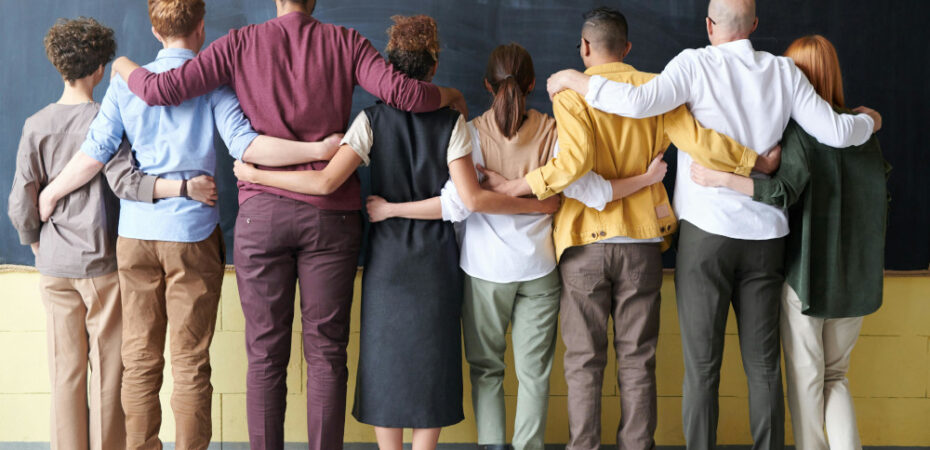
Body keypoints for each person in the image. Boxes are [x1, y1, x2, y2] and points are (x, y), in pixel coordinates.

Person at [110, 2, 469, 447]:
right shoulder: (347, 42)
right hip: (330, 218)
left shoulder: (239, 44)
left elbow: (162, 89)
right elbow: (410, 96)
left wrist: (122, 63)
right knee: (326, 355)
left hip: (263, 217)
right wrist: (449, 95)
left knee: (263, 356)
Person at [545, 1, 881, 449]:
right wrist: (869, 121)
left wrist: (573, 79)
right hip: (767, 237)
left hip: (705, 236)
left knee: (702, 365)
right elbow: (837, 134)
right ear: (754, 27)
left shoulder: (693, 64)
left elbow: (638, 101)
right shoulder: (783, 72)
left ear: (708, 25)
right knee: (763, 367)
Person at [232, 15, 559, 450]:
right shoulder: (454, 123)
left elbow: (326, 182)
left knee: (383, 363)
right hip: (436, 262)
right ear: (434, 65)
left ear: (387, 66)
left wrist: (257, 174)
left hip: (387, 262)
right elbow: (464, 200)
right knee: (433, 364)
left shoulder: (369, 121)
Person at [35, 2, 342, 448]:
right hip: (193, 237)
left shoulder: (124, 86)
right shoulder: (214, 84)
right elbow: (248, 147)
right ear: (201, 28)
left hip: (136, 236)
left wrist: (50, 193)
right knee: (191, 361)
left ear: (155, 31)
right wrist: (321, 148)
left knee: (138, 360)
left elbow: (93, 154)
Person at [476, 7, 774, 450]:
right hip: (641, 240)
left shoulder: (570, 95)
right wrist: (753, 162)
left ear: (584, 47)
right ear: (628, 49)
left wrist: (520, 185)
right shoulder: (657, 89)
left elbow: (573, 164)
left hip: (583, 243)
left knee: (583, 362)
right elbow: (698, 140)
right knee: (638, 360)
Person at [6, 17, 215, 450]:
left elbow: (20, 201)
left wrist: (36, 241)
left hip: (54, 264)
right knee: (110, 370)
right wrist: (179, 188)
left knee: (65, 372)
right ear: (101, 69)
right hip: (101, 264)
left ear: (57, 65)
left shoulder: (34, 124)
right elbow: (126, 182)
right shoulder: (106, 116)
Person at [688, 35, 889, 450]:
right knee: (837, 377)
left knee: (806, 381)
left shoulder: (800, 134)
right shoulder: (862, 134)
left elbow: (783, 191)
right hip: (857, 282)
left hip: (808, 279)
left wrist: (723, 178)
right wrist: (871, 120)